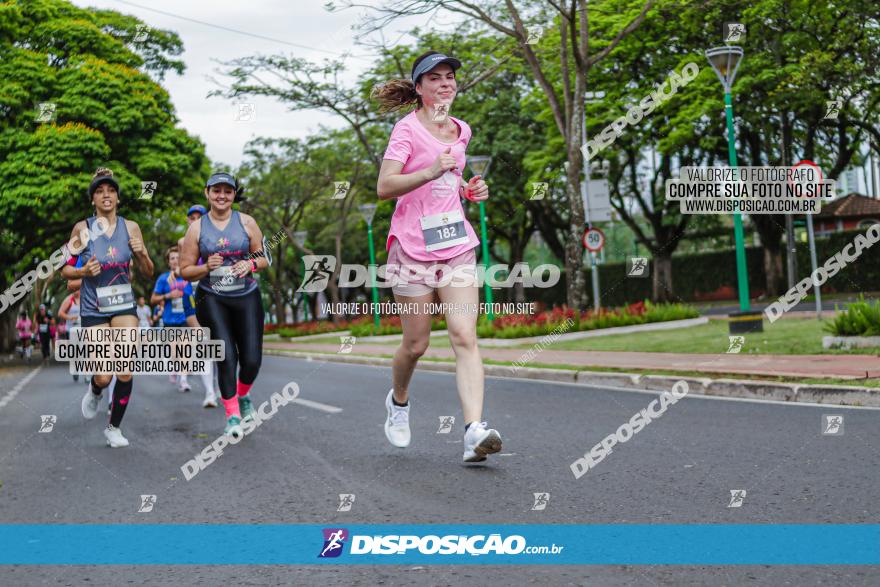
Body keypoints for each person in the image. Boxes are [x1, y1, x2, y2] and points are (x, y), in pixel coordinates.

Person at [372, 51, 502, 463]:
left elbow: (452, 174)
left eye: (450, 77)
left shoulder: (461, 130)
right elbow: (385, 186)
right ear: (420, 88)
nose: (446, 83)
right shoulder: (405, 131)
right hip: (411, 247)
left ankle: (472, 432)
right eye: (435, 78)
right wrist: (429, 171)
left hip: (455, 244)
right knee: (417, 344)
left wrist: (468, 190)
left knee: (465, 335)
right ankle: (399, 400)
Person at [61, 167, 154, 448]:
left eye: (111, 190)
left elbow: (148, 271)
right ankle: (95, 388)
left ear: (118, 197)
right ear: (93, 199)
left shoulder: (132, 227)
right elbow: (64, 270)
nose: (106, 195)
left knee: (124, 369)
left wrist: (140, 253)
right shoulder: (82, 229)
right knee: (104, 373)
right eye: (100, 191)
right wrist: (83, 272)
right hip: (92, 308)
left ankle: (114, 427)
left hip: (124, 305)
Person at [179, 173, 268, 437]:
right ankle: (232, 415)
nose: (222, 196)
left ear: (233, 195)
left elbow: (264, 258)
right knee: (227, 355)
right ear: (207, 193)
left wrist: (250, 263)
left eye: (227, 192)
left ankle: (243, 395)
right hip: (213, 298)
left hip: (246, 296)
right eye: (216, 190)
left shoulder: (247, 222)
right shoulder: (196, 229)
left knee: (251, 359)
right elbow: (185, 270)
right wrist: (206, 266)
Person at [177, 204, 218, 408]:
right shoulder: (182, 241)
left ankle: (218, 385)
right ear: (187, 220)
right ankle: (210, 393)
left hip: (215, 291)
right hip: (191, 293)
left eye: (198, 216)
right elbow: (182, 270)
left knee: (220, 341)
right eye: (191, 216)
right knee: (204, 342)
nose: (194, 219)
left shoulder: (217, 238)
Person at [151, 246, 195, 393]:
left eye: (178, 258)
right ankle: (175, 366)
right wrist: (167, 296)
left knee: (184, 349)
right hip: (170, 320)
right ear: (168, 262)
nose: (176, 261)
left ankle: (183, 381)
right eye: (172, 258)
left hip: (185, 319)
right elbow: (153, 299)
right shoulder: (163, 279)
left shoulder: (188, 276)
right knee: (174, 352)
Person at [58, 290, 82, 381]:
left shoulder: (85, 297)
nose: (76, 290)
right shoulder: (69, 300)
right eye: (74, 288)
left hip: (82, 328)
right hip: (71, 329)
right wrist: (70, 317)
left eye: (78, 288)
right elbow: (60, 313)